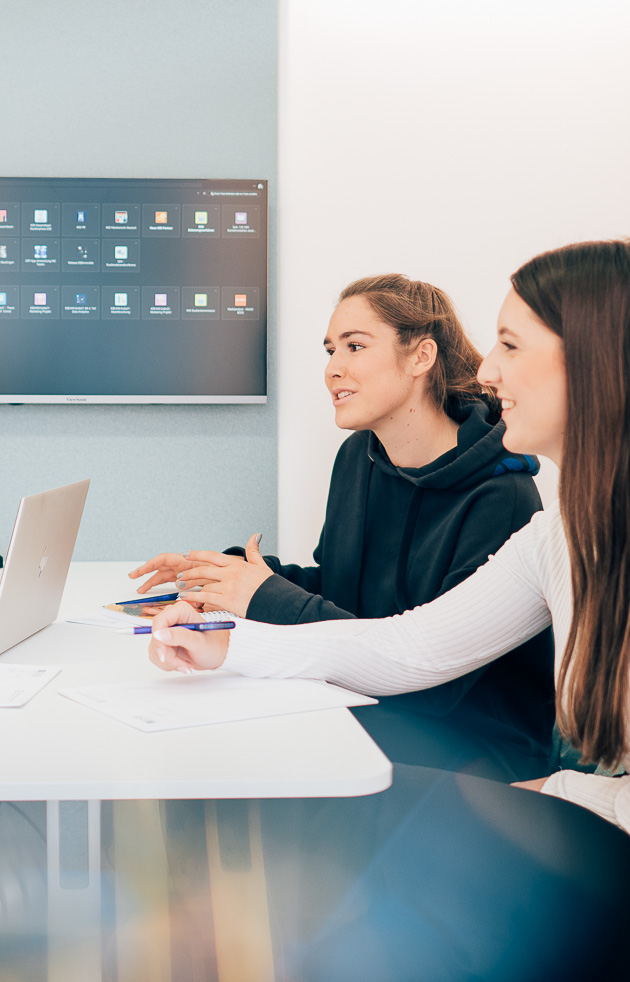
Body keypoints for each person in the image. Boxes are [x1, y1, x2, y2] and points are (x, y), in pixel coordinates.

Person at [145, 240, 630, 980]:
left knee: (417, 831)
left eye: (511, 344)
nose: (486, 369)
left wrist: (560, 791)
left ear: (595, 361)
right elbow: (411, 648)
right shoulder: (569, 528)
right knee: (372, 801)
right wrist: (230, 645)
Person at [129, 273, 551, 779]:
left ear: (421, 357)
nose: (333, 369)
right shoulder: (359, 457)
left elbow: (433, 683)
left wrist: (263, 597)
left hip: (470, 742)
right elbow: (340, 587)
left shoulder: (502, 495)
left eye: (354, 346)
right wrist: (223, 578)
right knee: (193, 716)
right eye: (331, 350)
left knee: (234, 742)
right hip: (372, 702)